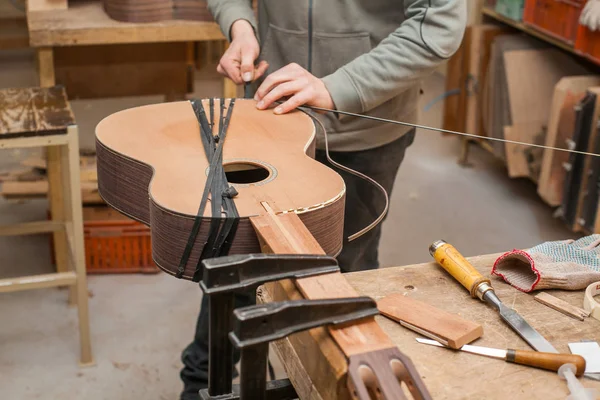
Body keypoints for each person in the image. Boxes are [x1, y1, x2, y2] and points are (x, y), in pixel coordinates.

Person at [180, 1, 467, 398]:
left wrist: (339, 87)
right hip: (269, 118)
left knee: (339, 280)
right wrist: (240, 25)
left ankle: (336, 385)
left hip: (364, 131)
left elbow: (437, 26)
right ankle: (201, 383)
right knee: (233, 266)